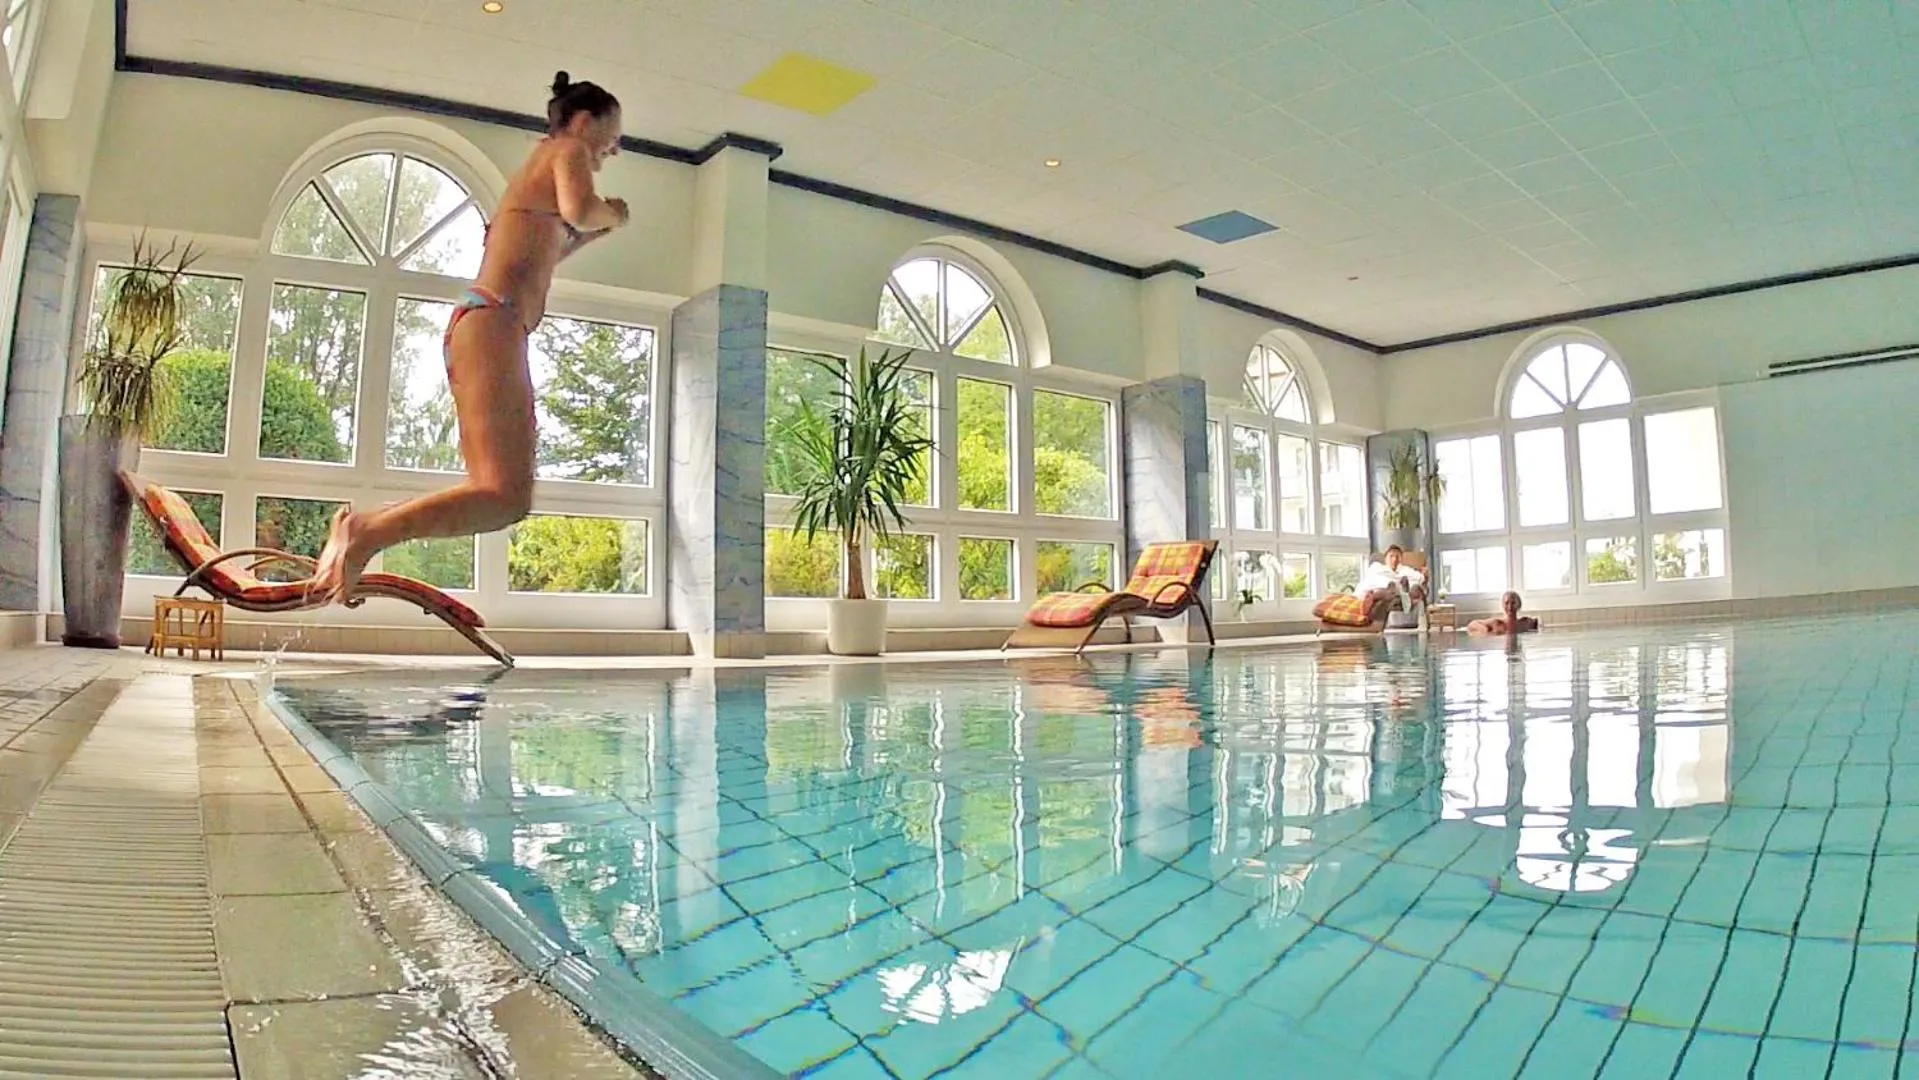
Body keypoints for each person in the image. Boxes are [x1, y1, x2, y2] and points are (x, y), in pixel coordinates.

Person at [310, 71, 631, 603]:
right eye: (612, 136)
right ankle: (366, 531)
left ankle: (365, 529)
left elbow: (554, 243)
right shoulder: (566, 148)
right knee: (505, 496)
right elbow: (580, 209)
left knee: (503, 495)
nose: (612, 150)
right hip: (493, 323)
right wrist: (612, 214)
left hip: (488, 324)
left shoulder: (537, 174)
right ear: (581, 121)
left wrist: (591, 233)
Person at [1358, 545, 1425, 612]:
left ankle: (1404, 600)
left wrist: (1423, 573)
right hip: (1381, 591)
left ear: (1401, 559)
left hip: (1398, 594)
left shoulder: (1405, 570)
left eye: (1397, 557)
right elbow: (1370, 581)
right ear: (1385, 558)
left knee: (1413, 588)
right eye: (1391, 556)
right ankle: (1404, 601)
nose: (1394, 559)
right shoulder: (1377, 567)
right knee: (1390, 586)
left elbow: (1420, 578)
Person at [1469, 591, 1541, 636]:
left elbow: (1538, 622)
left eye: (1513, 603)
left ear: (1519, 605)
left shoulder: (1525, 622)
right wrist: (1485, 630)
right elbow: (1472, 624)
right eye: (1506, 603)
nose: (1510, 607)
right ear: (1503, 605)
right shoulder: (1496, 623)